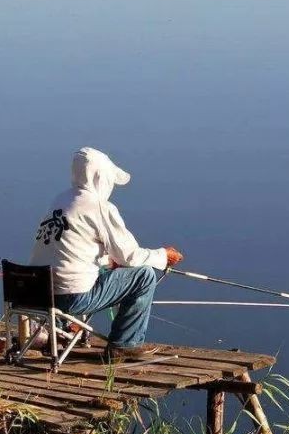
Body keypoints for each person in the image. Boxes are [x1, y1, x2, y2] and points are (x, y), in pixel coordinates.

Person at [30, 147, 184, 361]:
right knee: (144, 276)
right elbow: (129, 256)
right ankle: (124, 344)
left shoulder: (60, 201)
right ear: (101, 178)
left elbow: (72, 249)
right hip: (72, 298)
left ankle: (57, 332)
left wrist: (108, 261)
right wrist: (163, 256)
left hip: (38, 295)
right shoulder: (99, 206)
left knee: (102, 268)